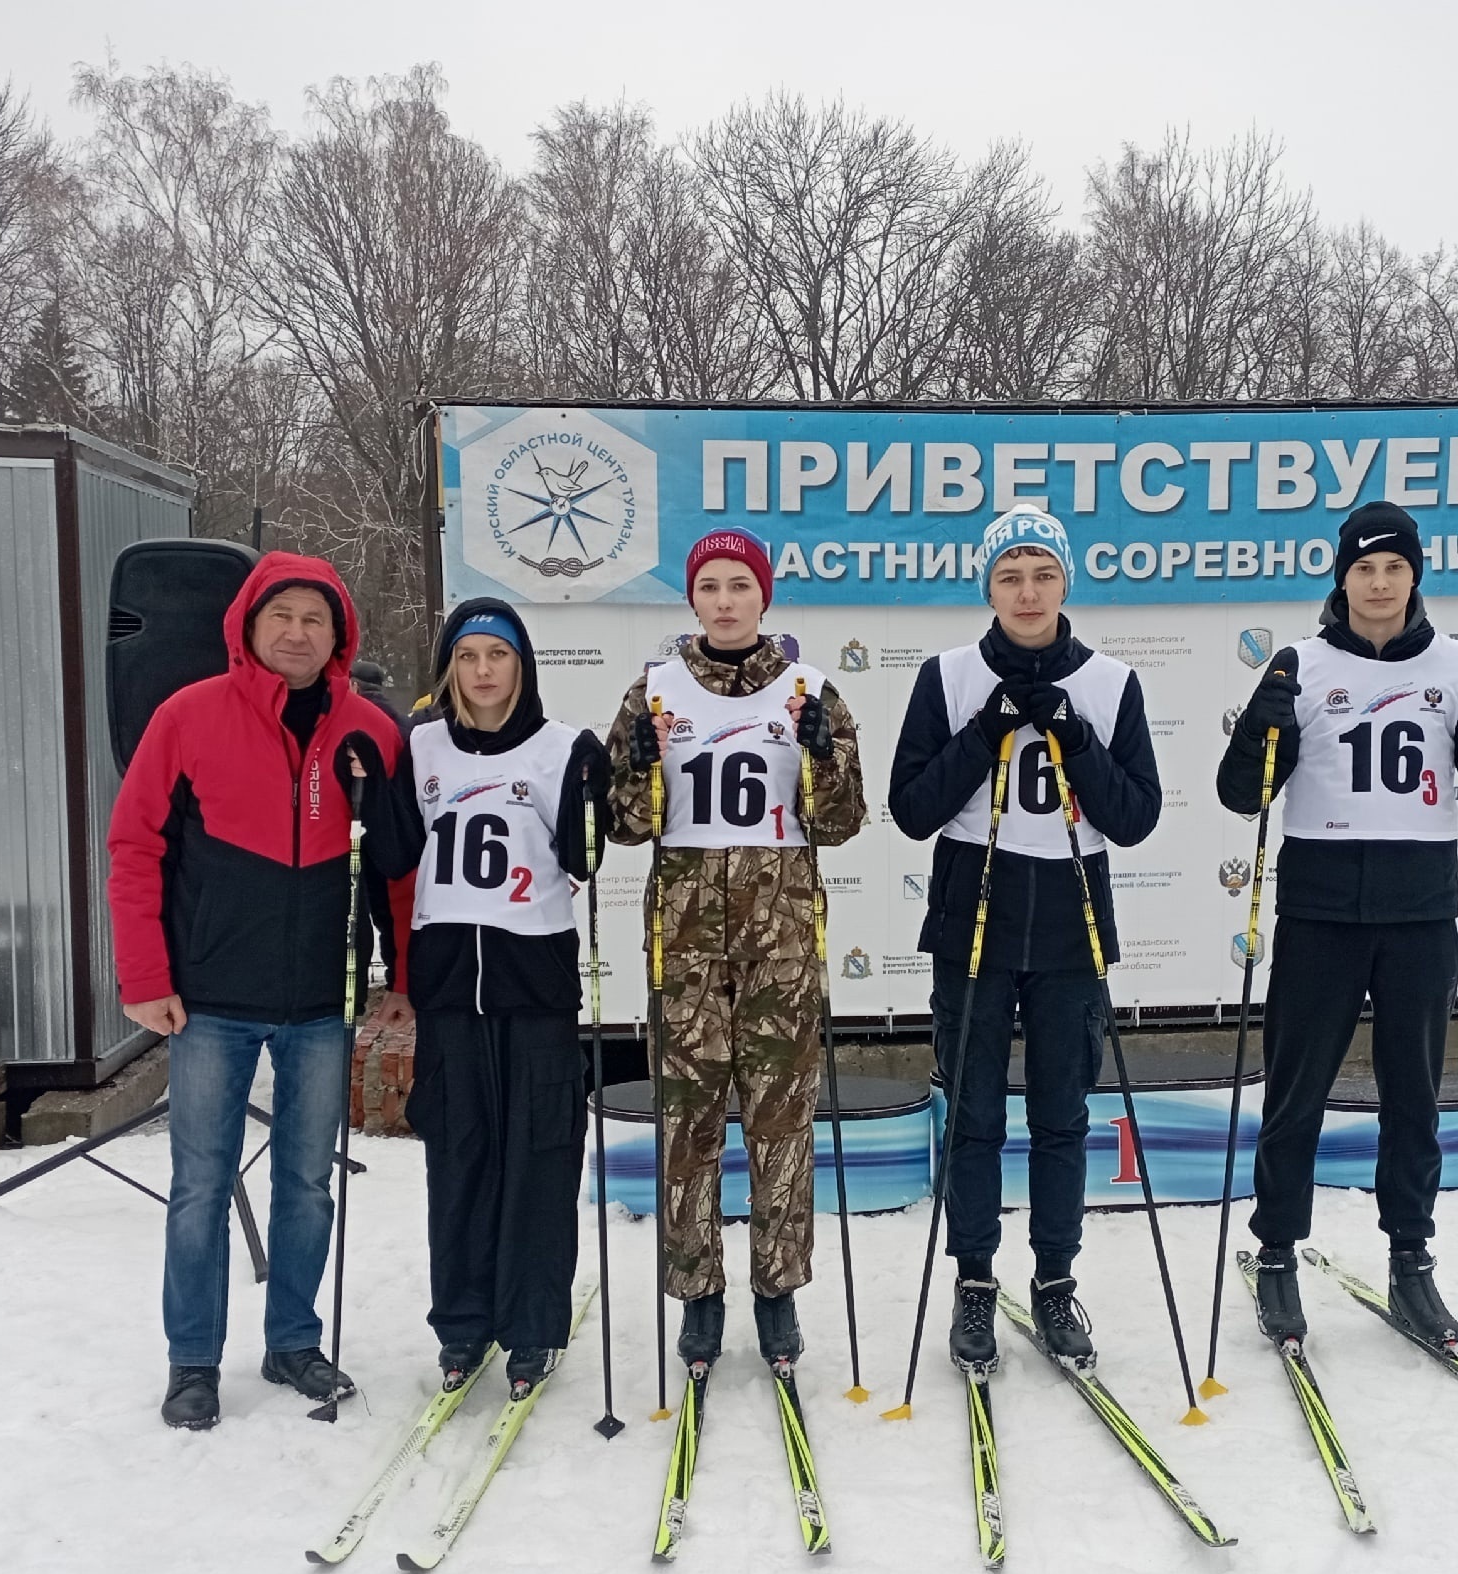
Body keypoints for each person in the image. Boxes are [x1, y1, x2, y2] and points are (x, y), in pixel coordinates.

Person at [1216, 501, 1458, 1348]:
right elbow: (1241, 791)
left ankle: (1410, 1261)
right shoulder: (1301, 663)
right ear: (1342, 578)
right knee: (1296, 1092)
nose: (1380, 584)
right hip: (1320, 906)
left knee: (1413, 1097)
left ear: (1415, 575)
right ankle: (1277, 1251)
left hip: (1418, 909)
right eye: (1365, 569)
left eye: (1394, 568)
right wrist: (1260, 731)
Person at [107, 551, 410, 1430]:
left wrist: (405, 975)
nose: (296, 632)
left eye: (315, 618)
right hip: (208, 1000)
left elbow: (397, 870)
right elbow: (136, 848)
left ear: (339, 634)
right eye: (281, 614)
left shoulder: (373, 731)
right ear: (247, 623)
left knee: (307, 1183)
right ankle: (192, 1359)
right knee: (200, 1183)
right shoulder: (186, 716)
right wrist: (146, 975)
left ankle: (294, 1342)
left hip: (323, 999)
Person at [886, 507, 1162, 1373]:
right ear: (988, 587)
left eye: (1042, 571)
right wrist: (985, 733)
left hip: (1071, 915)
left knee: (1061, 1117)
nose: (1028, 590)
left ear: (1065, 582)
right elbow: (912, 808)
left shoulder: (1112, 683)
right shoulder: (948, 675)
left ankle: (1052, 1281)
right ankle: (975, 1283)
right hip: (974, 911)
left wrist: (1073, 736)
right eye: (1010, 574)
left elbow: (1137, 815)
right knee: (971, 1115)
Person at [604, 528, 865, 1374]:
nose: (724, 600)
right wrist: (636, 770)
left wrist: (824, 753)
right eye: (710, 585)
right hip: (682, 936)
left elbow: (840, 821)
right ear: (692, 598)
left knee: (781, 1120)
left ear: (765, 597)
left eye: (739, 586)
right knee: (688, 1121)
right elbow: (627, 823)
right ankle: (699, 1293)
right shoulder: (653, 691)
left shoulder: (807, 688)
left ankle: (777, 1290)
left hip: (781, 937)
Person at [370, 599, 609, 1397]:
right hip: (448, 987)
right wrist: (368, 787)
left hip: (533, 979)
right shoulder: (421, 743)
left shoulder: (560, 746)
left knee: (539, 1155)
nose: (481, 672)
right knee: (461, 1155)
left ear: (521, 666)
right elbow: (398, 852)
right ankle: (464, 1324)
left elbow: (586, 857)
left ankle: (533, 1324)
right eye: (467, 656)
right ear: (449, 667)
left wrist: (593, 792)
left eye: (496, 657)